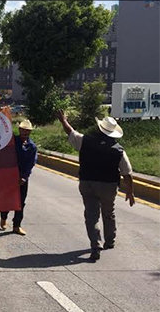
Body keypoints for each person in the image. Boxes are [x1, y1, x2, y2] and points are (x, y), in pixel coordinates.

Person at [57, 110, 135, 261]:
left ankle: (95, 245)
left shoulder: (85, 140)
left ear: (99, 128)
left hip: (88, 183)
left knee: (91, 216)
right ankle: (110, 240)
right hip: (108, 186)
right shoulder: (119, 150)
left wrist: (63, 120)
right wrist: (130, 192)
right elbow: (127, 173)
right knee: (108, 212)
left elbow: (70, 132)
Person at [0, 119, 37, 235]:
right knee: (7, 199)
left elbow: (31, 163)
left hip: (22, 177)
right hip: (8, 176)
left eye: (27, 131)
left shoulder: (32, 147)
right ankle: (3, 217)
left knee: (20, 202)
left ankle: (17, 225)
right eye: (23, 130)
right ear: (19, 130)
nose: (25, 132)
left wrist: (24, 177)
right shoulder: (11, 141)